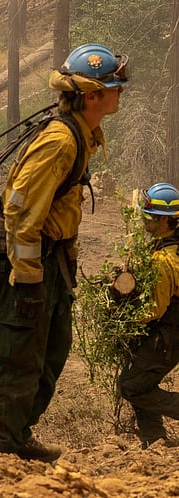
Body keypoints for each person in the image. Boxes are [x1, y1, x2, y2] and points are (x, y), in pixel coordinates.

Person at [0, 43, 128, 462]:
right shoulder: (61, 141)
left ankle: (18, 437)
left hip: (53, 263)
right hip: (26, 266)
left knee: (51, 353)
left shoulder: (82, 135)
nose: (121, 93)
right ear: (91, 95)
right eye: (114, 87)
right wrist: (27, 279)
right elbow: (20, 211)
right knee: (18, 359)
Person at [118, 182, 179, 449]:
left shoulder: (164, 261)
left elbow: (155, 309)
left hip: (169, 334)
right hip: (168, 331)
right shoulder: (166, 248)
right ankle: (153, 439)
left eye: (148, 216)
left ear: (165, 221)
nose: (143, 219)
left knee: (131, 385)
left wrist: (126, 323)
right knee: (141, 379)